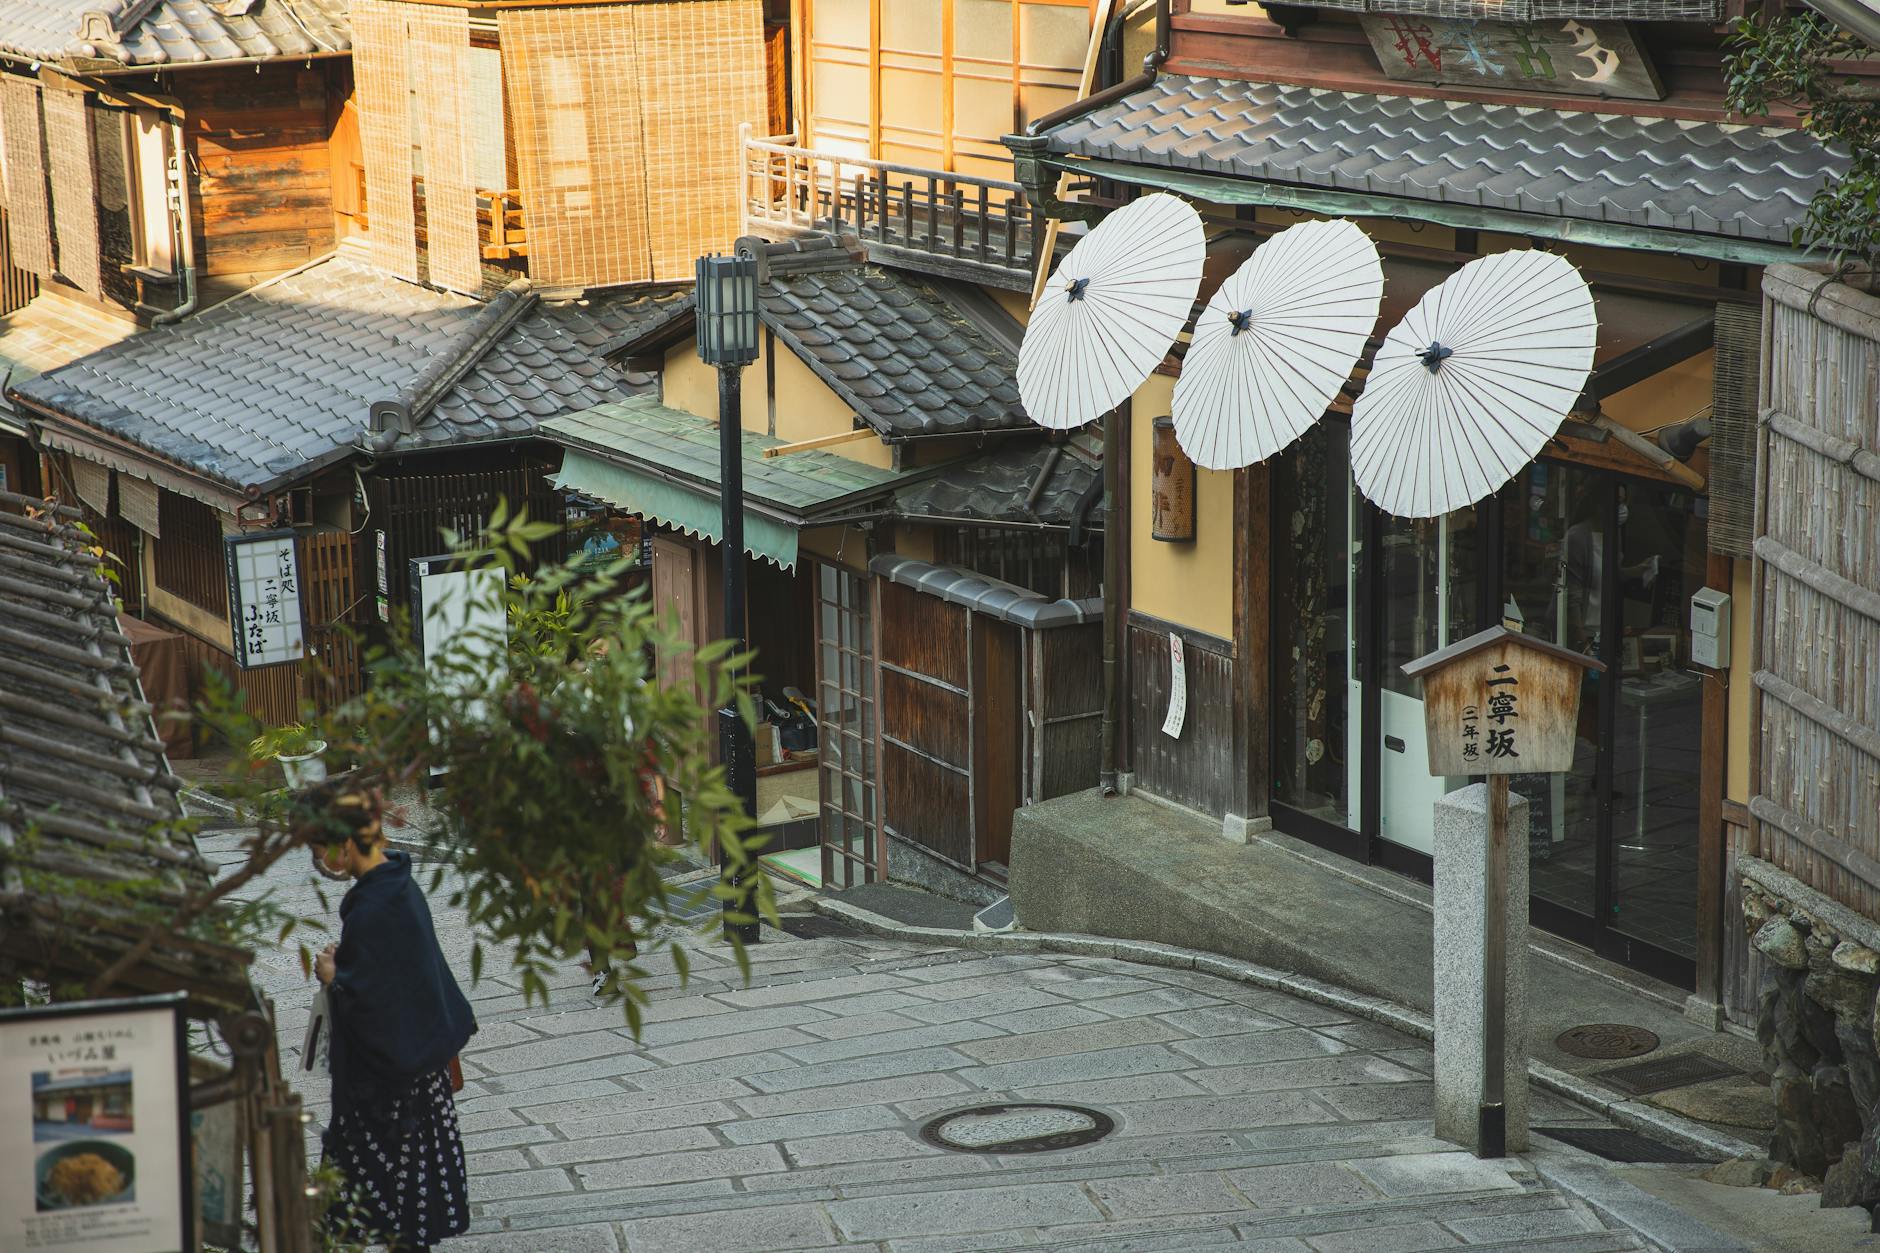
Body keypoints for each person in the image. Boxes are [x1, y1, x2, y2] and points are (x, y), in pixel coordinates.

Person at [301, 777, 476, 1252]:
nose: (320, 862)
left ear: (341, 843)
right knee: (407, 1203)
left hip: (391, 1089)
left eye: (320, 849)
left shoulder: (374, 906)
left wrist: (334, 976)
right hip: (419, 1068)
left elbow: (372, 1002)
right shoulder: (397, 883)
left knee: (385, 1195)